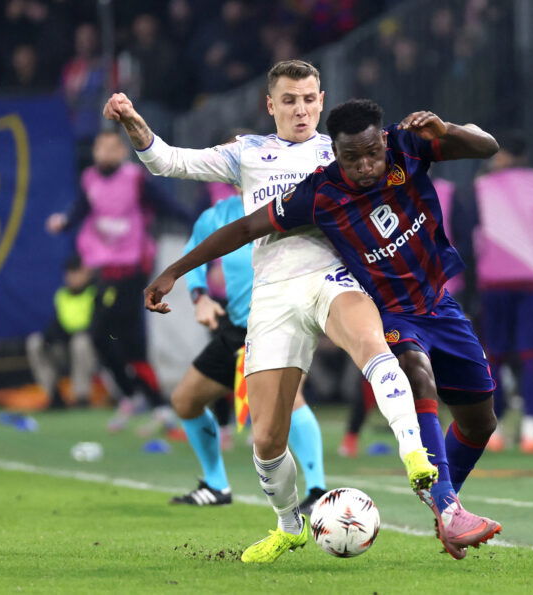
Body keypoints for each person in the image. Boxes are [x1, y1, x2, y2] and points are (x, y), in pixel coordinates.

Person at [104, 61, 439, 563]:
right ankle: (289, 525)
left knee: (370, 343)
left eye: (308, 99)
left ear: (322, 100)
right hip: (273, 295)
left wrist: (438, 131)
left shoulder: (342, 151)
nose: (300, 109)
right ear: (270, 105)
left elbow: (402, 167)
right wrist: (133, 122)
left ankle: (415, 454)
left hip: (332, 275)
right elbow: (169, 162)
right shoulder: (248, 153)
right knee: (265, 437)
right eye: (289, 100)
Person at [143, 98, 504, 560]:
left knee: (480, 422)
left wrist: (447, 127)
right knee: (414, 371)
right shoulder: (319, 193)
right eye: (352, 158)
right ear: (334, 152)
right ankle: (447, 505)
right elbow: (246, 228)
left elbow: (487, 146)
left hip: (439, 305)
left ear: (383, 140)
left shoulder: (410, 145)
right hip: (386, 311)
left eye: (372, 153)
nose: (366, 165)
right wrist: (174, 270)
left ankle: (443, 507)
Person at [168, 188, 330, 513]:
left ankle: (317, 490)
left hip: (282, 320)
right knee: (186, 401)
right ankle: (216, 485)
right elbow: (193, 254)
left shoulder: (291, 205)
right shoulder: (218, 215)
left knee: (290, 399)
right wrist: (200, 297)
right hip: (238, 326)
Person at [46, 130, 192, 432]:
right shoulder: (90, 179)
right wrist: (65, 222)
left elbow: (166, 205)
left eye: (112, 147)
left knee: (130, 342)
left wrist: (196, 222)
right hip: (104, 274)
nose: (105, 152)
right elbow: (82, 209)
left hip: (132, 274)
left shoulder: (135, 180)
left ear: (122, 152)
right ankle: (132, 395)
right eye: (100, 147)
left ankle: (157, 404)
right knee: (101, 337)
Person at [471, 133, 533, 454]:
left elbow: (471, 234)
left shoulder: (482, 187)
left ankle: (491, 432)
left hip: (494, 281)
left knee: (493, 354)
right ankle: (532, 433)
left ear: (499, 155)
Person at [25, 255, 97, 409]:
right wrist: (47, 339)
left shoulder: (97, 292)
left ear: (87, 272)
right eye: (70, 272)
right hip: (65, 350)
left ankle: (81, 397)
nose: (72, 276)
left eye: (77, 271)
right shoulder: (62, 295)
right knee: (35, 342)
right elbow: (57, 325)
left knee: (81, 341)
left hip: (93, 353)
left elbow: (98, 328)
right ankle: (53, 395)